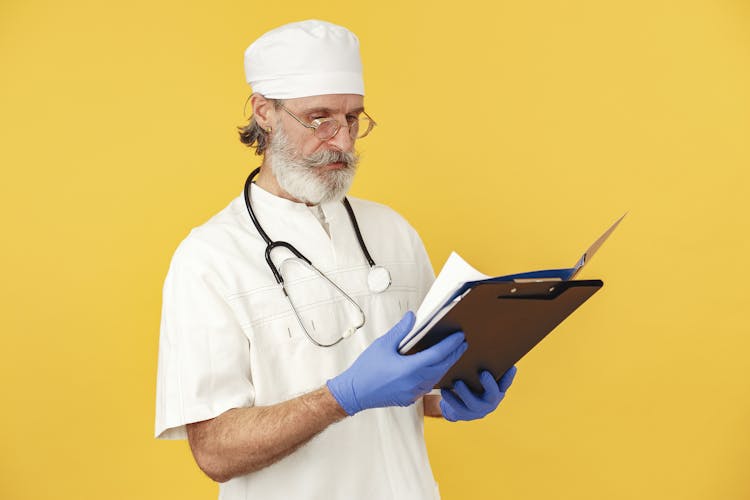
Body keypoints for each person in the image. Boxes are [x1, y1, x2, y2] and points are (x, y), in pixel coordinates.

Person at [154, 19, 517, 500]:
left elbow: (415, 381)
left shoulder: (393, 230)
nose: (343, 141)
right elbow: (215, 453)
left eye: (352, 119)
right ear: (264, 112)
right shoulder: (209, 258)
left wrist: (450, 395)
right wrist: (341, 397)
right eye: (319, 118)